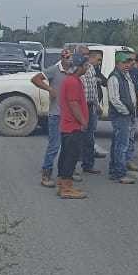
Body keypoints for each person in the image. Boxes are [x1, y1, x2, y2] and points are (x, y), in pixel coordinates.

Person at [32, 47, 72, 188]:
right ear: (61, 58)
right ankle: (46, 173)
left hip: (69, 114)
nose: (68, 59)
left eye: (69, 57)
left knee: (67, 147)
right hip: (56, 113)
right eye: (65, 57)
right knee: (54, 145)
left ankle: (64, 174)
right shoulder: (54, 69)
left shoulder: (73, 71)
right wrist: (49, 89)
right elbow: (36, 79)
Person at [55, 53, 91, 199]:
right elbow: (73, 103)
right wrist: (83, 121)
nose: (87, 67)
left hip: (68, 125)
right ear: (79, 66)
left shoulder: (72, 80)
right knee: (70, 157)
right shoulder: (72, 82)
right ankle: (66, 188)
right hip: (72, 126)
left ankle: (63, 184)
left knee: (66, 155)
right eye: (86, 65)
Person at [105, 52, 137, 184]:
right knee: (121, 145)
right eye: (124, 63)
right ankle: (119, 173)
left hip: (126, 114)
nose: (127, 65)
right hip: (121, 115)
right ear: (117, 63)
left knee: (118, 143)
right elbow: (114, 99)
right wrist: (125, 111)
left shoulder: (125, 76)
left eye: (128, 62)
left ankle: (115, 170)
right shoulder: (114, 77)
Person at [78, 49, 104, 175]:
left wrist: (97, 105)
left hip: (91, 107)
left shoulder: (92, 69)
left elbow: (93, 89)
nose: (86, 57)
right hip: (79, 107)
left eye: (87, 55)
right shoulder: (76, 69)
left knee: (89, 137)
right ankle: (70, 169)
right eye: (84, 55)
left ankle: (88, 164)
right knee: (77, 137)